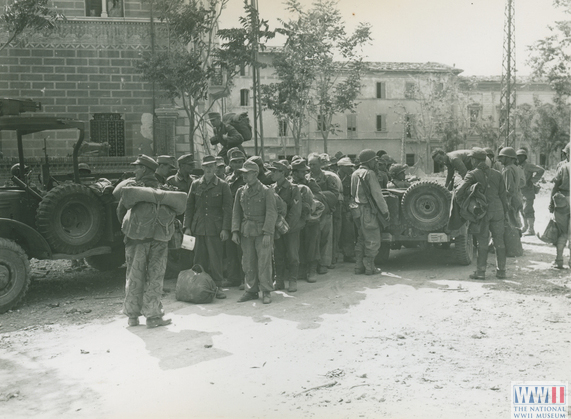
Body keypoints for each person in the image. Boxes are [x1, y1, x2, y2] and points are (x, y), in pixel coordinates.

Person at [116, 154, 172, 328]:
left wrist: (131, 229)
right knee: (155, 276)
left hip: (136, 240)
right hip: (158, 239)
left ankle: (133, 317)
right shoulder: (162, 189)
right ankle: (153, 316)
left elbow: (120, 212)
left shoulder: (132, 188)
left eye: (137, 167)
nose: (135, 170)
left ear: (145, 170)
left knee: (134, 276)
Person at [184, 155, 233, 299]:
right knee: (199, 258)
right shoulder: (195, 184)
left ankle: (218, 287)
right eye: (206, 166)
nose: (209, 169)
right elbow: (189, 206)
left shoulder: (223, 185)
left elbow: (227, 209)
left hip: (215, 229)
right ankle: (197, 286)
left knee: (215, 258)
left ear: (216, 168)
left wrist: (225, 228)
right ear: (203, 168)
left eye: (212, 166)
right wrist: (187, 226)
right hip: (198, 227)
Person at [456, 148, 509, 280]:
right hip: (498, 210)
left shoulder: (472, 174)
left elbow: (459, 192)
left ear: (474, 160)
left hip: (482, 211)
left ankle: (481, 272)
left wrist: (465, 204)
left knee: (482, 242)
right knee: (499, 241)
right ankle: (501, 271)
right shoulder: (498, 174)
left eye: (471, 159)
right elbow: (503, 196)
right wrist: (505, 213)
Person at [232, 158, 277, 304]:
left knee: (264, 263)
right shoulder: (241, 191)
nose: (244, 176)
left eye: (247, 174)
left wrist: (267, 233)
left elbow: (271, 213)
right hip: (246, 232)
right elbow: (236, 212)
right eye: (243, 174)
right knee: (248, 262)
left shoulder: (266, 191)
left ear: (256, 174)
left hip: (261, 232)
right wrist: (235, 231)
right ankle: (251, 290)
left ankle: (266, 291)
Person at [351, 149, 390, 275]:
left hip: (357, 210)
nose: (376, 163)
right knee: (373, 238)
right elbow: (378, 195)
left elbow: (352, 194)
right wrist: (385, 211)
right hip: (368, 210)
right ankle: (369, 266)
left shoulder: (355, 173)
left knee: (361, 237)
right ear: (369, 161)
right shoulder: (370, 174)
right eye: (374, 160)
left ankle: (358, 266)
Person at [269, 160, 302, 292]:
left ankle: (293, 280)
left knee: (293, 254)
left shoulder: (293, 189)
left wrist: (285, 227)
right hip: (277, 228)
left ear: (282, 173)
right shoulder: (271, 189)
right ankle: (279, 280)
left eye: (274, 171)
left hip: (291, 229)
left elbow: (296, 211)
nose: (271, 174)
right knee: (277, 254)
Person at [308, 153, 341, 273]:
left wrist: (319, 197)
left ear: (320, 164)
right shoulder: (306, 178)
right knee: (313, 239)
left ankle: (323, 264)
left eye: (314, 164)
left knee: (325, 239)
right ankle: (312, 264)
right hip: (311, 214)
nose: (311, 167)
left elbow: (335, 195)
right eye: (310, 164)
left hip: (325, 213)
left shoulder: (328, 178)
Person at [291, 158, 322, 282]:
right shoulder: (289, 184)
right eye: (301, 171)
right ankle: (302, 268)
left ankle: (312, 269)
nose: (304, 174)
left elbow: (320, 196)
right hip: (296, 219)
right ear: (294, 172)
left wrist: (307, 197)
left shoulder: (310, 182)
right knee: (298, 245)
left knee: (312, 243)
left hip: (310, 219)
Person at [224, 148, 247, 288]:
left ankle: (245, 278)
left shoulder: (247, 177)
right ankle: (233, 278)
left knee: (243, 251)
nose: (238, 165)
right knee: (230, 250)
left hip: (244, 218)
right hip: (230, 218)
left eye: (241, 161)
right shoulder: (228, 179)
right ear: (230, 164)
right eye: (235, 162)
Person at [549, 143, 570, 269]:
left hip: (563, 200)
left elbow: (555, 186)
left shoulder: (564, 167)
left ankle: (559, 260)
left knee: (562, 232)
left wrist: (551, 203)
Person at [517, 148, 545, 236]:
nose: (519, 158)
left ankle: (531, 229)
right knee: (522, 210)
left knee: (528, 209)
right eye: (518, 156)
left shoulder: (528, 165)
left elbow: (541, 170)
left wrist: (532, 180)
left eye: (521, 156)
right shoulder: (518, 166)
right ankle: (525, 227)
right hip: (520, 191)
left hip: (528, 191)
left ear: (524, 157)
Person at [337, 157, 356, 262]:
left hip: (347, 207)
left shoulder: (350, 178)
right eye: (348, 167)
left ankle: (348, 254)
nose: (350, 169)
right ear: (341, 167)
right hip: (336, 206)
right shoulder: (335, 177)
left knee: (348, 231)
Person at [497, 147, 522, 228]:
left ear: (508, 158)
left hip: (511, 200)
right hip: (517, 197)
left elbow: (509, 189)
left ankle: (514, 239)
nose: (500, 160)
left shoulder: (508, 169)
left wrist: (506, 201)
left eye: (502, 157)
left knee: (510, 224)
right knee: (514, 221)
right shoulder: (515, 168)